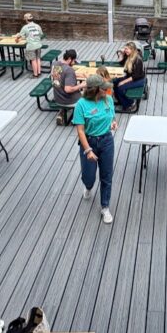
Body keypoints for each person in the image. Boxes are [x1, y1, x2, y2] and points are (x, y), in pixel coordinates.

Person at [73, 74, 118, 225]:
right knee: (89, 177)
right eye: (103, 88)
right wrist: (88, 150)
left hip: (106, 141)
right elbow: (80, 131)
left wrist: (113, 123)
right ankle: (88, 186)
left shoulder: (108, 100)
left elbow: (112, 117)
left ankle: (105, 207)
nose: (106, 90)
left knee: (107, 176)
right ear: (95, 90)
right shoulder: (81, 105)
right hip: (89, 142)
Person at [50, 49, 85, 125]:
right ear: (69, 59)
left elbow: (61, 75)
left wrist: (75, 75)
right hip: (68, 99)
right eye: (74, 61)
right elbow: (68, 89)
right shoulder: (69, 70)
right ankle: (78, 118)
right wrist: (81, 85)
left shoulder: (54, 64)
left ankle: (61, 113)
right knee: (87, 94)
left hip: (57, 97)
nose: (74, 63)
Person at [114, 42, 146, 111]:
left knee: (120, 87)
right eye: (125, 48)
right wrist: (121, 54)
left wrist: (123, 82)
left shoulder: (138, 59)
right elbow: (121, 63)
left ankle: (130, 104)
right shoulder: (128, 55)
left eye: (127, 49)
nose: (125, 50)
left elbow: (135, 76)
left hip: (138, 80)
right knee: (115, 82)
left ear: (132, 50)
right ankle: (121, 101)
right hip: (131, 77)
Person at [17, 12, 45, 78]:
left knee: (33, 60)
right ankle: (39, 72)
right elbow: (41, 34)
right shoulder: (37, 26)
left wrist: (17, 38)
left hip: (31, 46)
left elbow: (20, 35)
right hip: (38, 45)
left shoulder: (25, 27)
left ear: (26, 20)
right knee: (38, 58)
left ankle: (35, 74)